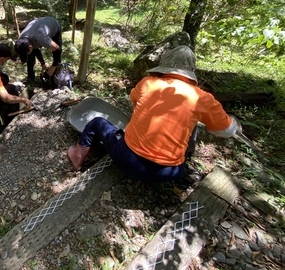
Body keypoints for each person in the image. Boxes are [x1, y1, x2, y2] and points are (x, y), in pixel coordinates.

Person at [67, 45, 242, 182]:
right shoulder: (201, 98)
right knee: (192, 124)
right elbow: (226, 131)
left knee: (97, 122)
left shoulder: (149, 82)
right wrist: (233, 122)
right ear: (191, 71)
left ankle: (77, 157)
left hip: (128, 160)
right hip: (170, 172)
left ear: (165, 65)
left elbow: (133, 100)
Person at [14, 17, 62, 82]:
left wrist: (53, 66)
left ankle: (56, 75)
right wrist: (43, 64)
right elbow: (35, 49)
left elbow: (57, 49)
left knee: (56, 55)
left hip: (53, 24)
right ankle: (30, 76)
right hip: (36, 26)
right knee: (30, 55)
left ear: (30, 47)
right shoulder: (21, 40)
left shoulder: (41, 39)